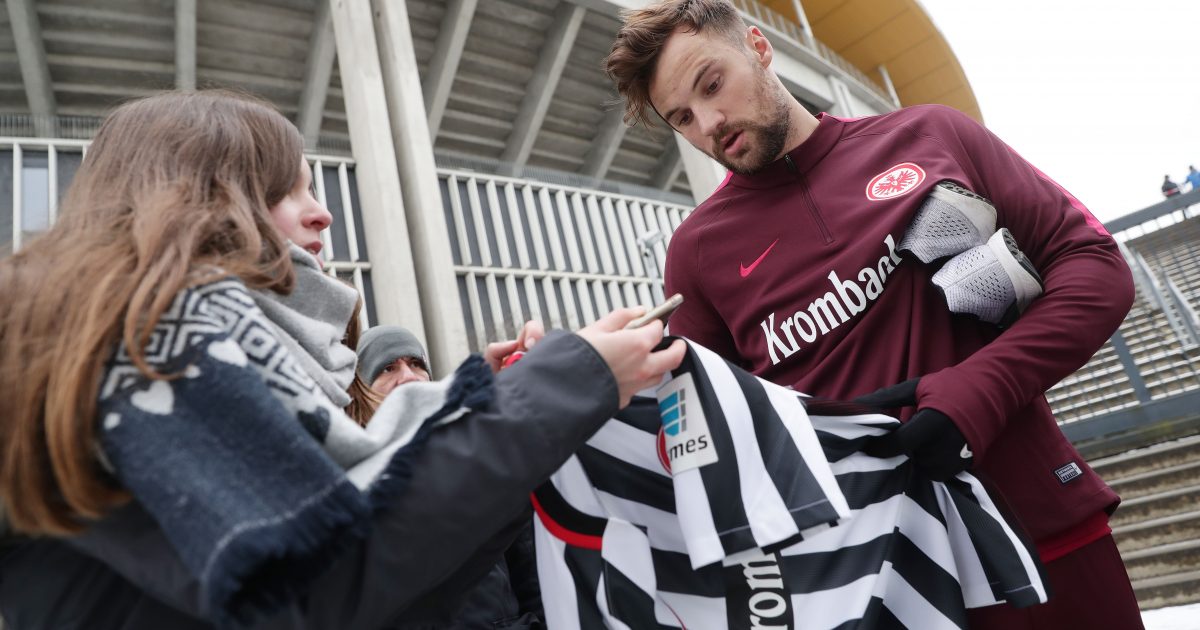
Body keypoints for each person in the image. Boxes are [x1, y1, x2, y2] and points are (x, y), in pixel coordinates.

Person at [0, 90, 686, 629]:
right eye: (287, 189)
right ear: (201, 197)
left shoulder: (144, 341)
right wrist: (561, 386)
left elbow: (390, 590)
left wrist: (514, 403)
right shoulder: (145, 337)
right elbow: (321, 577)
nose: (321, 214)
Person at [604, 2, 1142, 628]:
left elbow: (1095, 266)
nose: (709, 123)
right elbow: (715, 439)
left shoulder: (930, 135)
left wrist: (982, 388)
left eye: (712, 84)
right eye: (682, 118)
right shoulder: (696, 254)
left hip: (1040, 522)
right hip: (876, 587)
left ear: (758, 45)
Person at [355, 325, 544, 628]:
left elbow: (530, 569)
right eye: (388, 368)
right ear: (360, 391)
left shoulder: (477, 457)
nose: (408, 376)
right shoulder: (350, 484)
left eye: (416, 364)